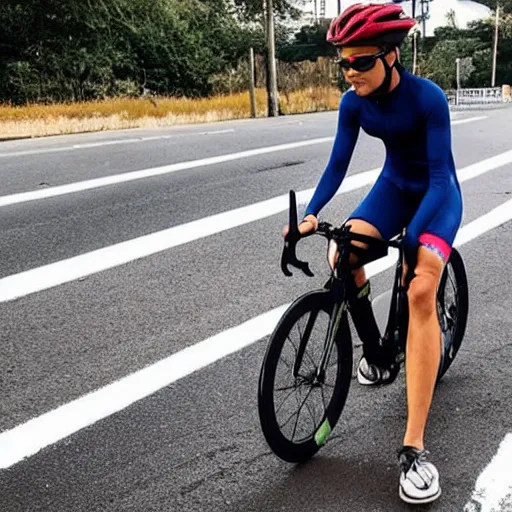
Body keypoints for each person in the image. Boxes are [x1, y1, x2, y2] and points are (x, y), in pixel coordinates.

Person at [282, 2, 463, 505]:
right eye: (344, 62)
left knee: (421, 287)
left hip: (436, 195)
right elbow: (338, 165)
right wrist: (312, 215)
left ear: (391, 55)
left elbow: (439, 177)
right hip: (393, 187)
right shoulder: (353, 103)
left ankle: (414, 450)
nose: (351, 71)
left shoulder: (428, 99)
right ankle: (380, 356)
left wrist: (412, 239)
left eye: (361, 61)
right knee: (344, 255)